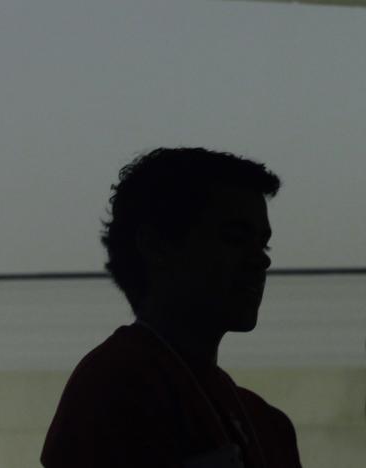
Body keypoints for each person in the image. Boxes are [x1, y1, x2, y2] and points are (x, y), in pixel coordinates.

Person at [41, 147, 302, 468]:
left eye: (263, 244)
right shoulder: (115, 387)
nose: (262, 260)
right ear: (155, 246)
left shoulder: (267, 426)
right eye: (234, 238)